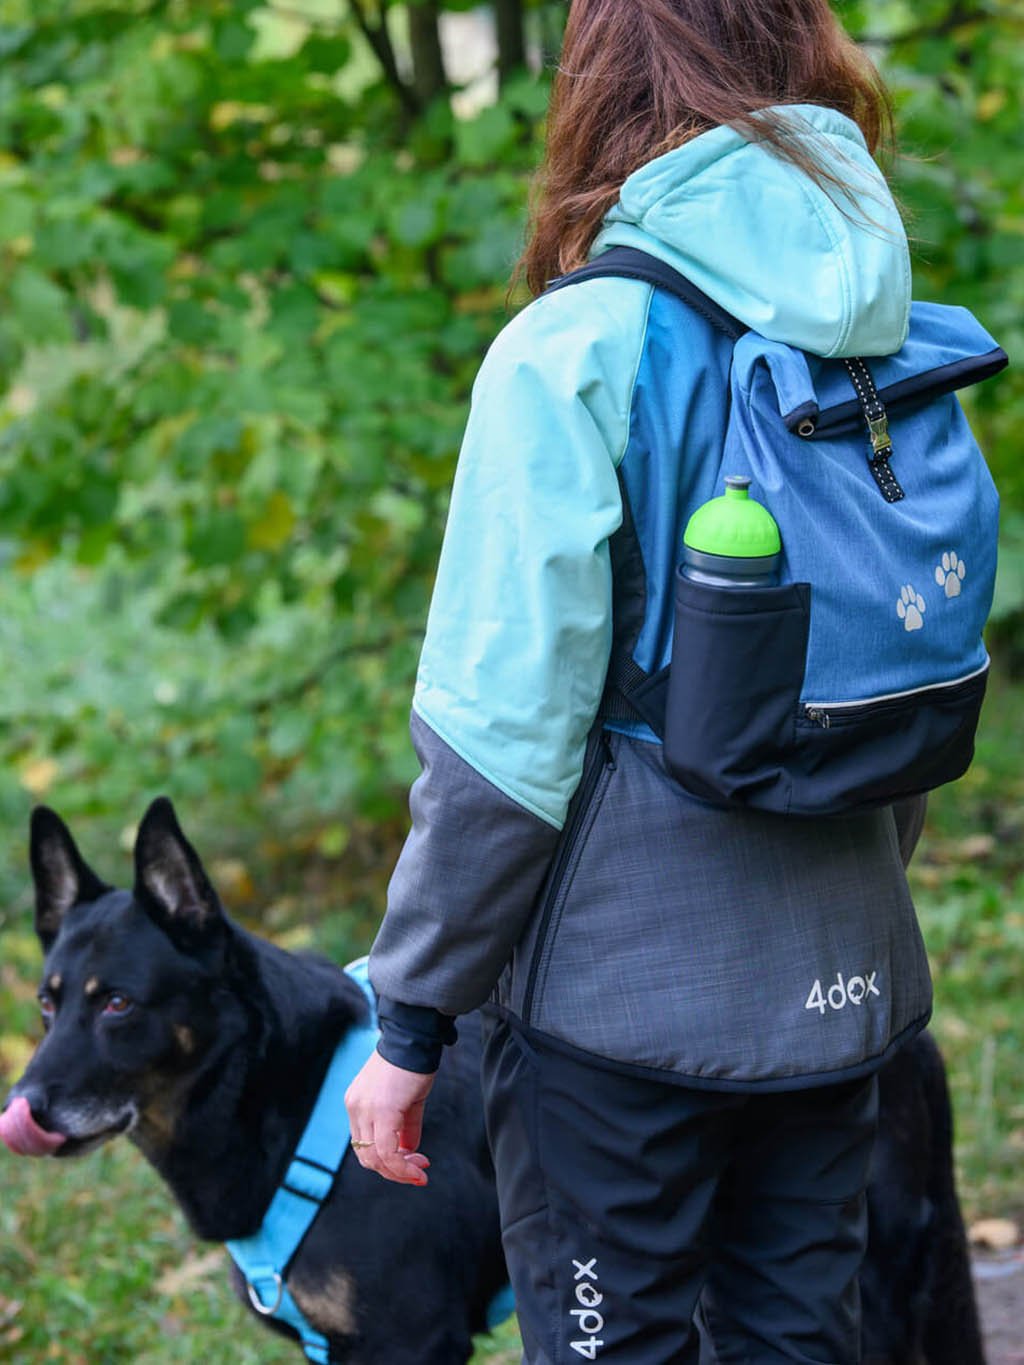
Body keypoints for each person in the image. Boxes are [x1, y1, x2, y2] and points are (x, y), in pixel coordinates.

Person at [345, 2, 934, 1360]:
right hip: (843, 970)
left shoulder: (577, 352)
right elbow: (903, 683)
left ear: (596, 90)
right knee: (800, 1340)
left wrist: (413, 1018)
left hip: (618, 1020)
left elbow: (499, 751)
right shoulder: (890, 334)